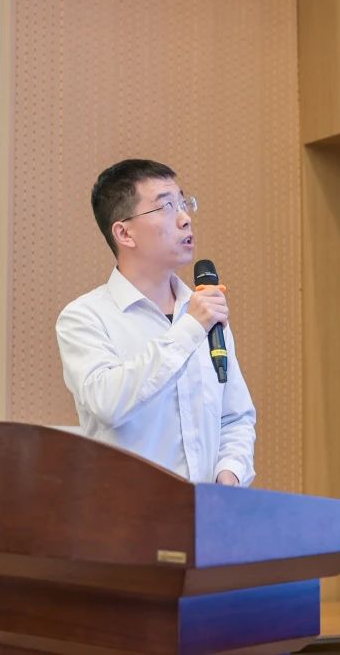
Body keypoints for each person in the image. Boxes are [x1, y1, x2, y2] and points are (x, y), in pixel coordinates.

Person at [55, 159, 256, 486]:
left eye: (184, 203)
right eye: (166, 207)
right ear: (124, 233)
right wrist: (190, 329)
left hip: (206, 510)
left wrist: (230, 473)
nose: (185, 218)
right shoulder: (85, 317)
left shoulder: (203, 309)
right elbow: (108, 403)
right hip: (128, 513)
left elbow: (235, 417)